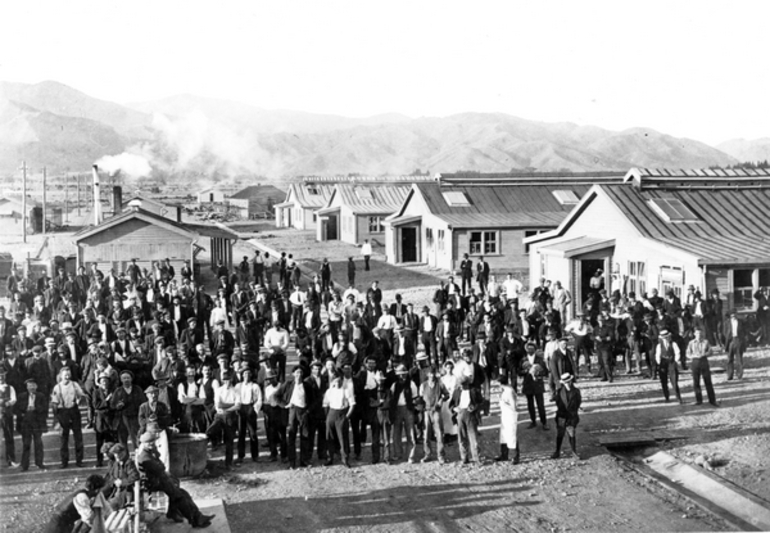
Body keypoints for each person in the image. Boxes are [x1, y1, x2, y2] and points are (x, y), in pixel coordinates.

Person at [135, 432, 215, 528]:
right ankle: (195, 520)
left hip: (158, 480)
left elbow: (160, 464)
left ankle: (194, 516)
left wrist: (155, 452)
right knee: (179, 496)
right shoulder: (145, 457)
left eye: (152, 442)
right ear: (143, 443)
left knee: (182, 493)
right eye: (149, 442)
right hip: (153, 484)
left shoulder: (148, 452)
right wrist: (157, 459)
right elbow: (161, 467)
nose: (151, 444)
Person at [50, 366, 87, 468]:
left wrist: (79, 399)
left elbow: (82, 396)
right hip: (63, 413)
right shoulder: (57, 387)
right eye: (65, 375)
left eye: (69, 374)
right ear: (60, 376)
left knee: (78, 437)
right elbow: (54, 403)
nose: (67, 376)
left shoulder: (75, 385)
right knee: (63, 439)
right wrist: (56, 418)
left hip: (74, 411)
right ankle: (64, 462)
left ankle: (79, 461)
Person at [207, 370, 241, 469]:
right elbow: (218, 404)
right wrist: (229, 405)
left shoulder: (235, 390)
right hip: (220, 415)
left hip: (230, 416)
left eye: (229, 380)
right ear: (222, 381)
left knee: (229, 440)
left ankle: (228, 463)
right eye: (225, 380)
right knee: (210, 432)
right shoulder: (219, 390)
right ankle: (205, 458)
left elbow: (238, 406)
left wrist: (227, 408)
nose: (227, 382)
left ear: (231, 380)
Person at [323, 371, 355, 467]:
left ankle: (344, 458)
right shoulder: (329, 391)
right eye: (335, 381)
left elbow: (352, 404)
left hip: (341, 414)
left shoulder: (346, 390)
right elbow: (325, 404)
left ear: (342, 381)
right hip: (331, 413)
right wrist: (327, 416)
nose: (337, 383)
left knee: (342, 437)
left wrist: (347, 416)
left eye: (339, 381)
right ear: (332, 382)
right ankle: (330, 458)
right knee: (330, 436)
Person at [15, 377, 47, 471]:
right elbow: (17, 409)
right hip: (26, 422)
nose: (32, 388)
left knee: (38, 443)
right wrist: (25, 410)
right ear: (26, 387)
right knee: (26, 444)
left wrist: (35, 408)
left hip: (37, 422)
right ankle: (25, 465)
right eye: (29, 386)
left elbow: (44, 408)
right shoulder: (22, 396)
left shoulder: (41, 396)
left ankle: (39, 463)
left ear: (36, 386)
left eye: (33, 385)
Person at [419, 366, 449, 464]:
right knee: (426, 433)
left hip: (436, 411)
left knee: (439, 433)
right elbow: (420, 398)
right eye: (430, 374)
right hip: (426, 411)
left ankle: (440, 455)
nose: (432, 375)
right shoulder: (423, 385)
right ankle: (427, 454)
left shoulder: (440, 384)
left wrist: (441, 400)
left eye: (433, 373)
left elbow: (447, 394)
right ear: (427, 375)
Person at [519, 341, 549, 430]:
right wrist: (525, 372)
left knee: (540, 404)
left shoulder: (540, 359)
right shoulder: (523, 360)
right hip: (528, 384)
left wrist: (539, 372)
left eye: (532, 349)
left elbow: (546, 372)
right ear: (526, 350)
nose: (530, 350)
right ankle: (533, 421)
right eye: (529, 349)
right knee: (530, 405)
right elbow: (519, 372)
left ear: (535, 350)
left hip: (538, 384)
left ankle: (544, 422)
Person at [551, 373, 581, 460]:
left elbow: (578, 403)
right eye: (565, 382)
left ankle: (574, 452)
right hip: (562, 416)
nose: (567, 383)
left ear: (571, 381)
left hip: (571, 417)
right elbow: (558, 403)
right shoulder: (560, 391)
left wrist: (573, 412)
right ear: (563, 383)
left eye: (568, 382)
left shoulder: (576, 391)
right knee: (560, 434)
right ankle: (557, 451)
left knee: (572, 434)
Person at [102, 443, 140, 508]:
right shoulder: (115, 463)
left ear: (124, 453)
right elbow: (111, 476)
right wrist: (114, 481)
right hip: (115, 490)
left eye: (119, 455)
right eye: (116, 455)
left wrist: (122, 482)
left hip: (126, 492)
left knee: (109, 506)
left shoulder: (129, 463)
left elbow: (135, 476)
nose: (117, 457)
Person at [687, 328, 718, 406]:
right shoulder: (691, 343)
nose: (699, 335)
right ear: (694, 334)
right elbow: (687, 353)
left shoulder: (706, 342)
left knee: (708, 381)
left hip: (704, 361)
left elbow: (710, 351)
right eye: (697, 333)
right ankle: (699, 400)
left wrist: (704, 354)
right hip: (695, 362)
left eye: (700, 333)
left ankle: (712, 400)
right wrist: (694, 356)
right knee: (696, 382)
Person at [495, 374, 520, 464]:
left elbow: (514, 406)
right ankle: (504, 455)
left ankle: (515, 457)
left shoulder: (509, 391)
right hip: (505, 415)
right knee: (504, 435)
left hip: (510, 415)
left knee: (511, 435)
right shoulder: (503, 390)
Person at [655, 329, 683, 403]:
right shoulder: (659, 346)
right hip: (663, 363)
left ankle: (678, 398)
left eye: (667, 337)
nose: (666, 339)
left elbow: (677, 352)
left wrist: (676, 361)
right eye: (664, 338)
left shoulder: (673, 344)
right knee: (664, 381)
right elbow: (657, 355)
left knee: (674, 381)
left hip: (671, 362)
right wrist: (659, 363)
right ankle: (667, 397)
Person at [0, 369, 18, 467]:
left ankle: (11, 460)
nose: (0, 378)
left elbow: (14, 399)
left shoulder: (10, 388)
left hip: (6, 415)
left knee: (9, 437)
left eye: (2, 375)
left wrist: (7, 403)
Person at [724, 310, 746, 380]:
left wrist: (743, 340)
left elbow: (745, 331)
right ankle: (730, 375)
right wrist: (727, 340)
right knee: (729, 359)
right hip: (731, 341)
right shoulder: (727, 323)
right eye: (732, 315)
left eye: (735, 315)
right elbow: (724, 332)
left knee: (739, 358)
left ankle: (739, 375)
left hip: (738, 340)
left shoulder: (741, 322)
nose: (734, 317)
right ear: (730, 316)